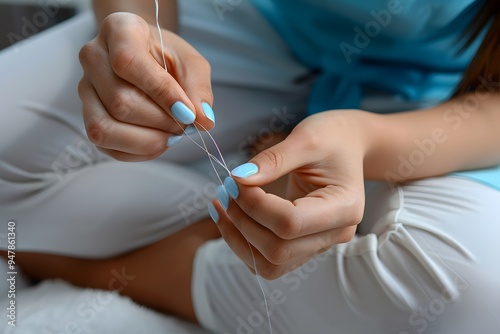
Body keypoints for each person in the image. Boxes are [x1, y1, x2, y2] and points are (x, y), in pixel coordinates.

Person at [1, 0, 499, 333]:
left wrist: (362, 139)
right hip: (241, 22)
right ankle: (216, 229)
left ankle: (102, 267)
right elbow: (140, 28)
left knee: (467, 287)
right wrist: (141, 32)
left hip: (455, 102)